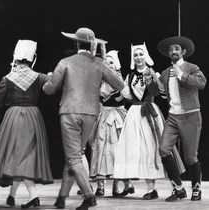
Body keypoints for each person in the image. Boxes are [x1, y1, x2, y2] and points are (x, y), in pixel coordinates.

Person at [43, 27, 124, 210]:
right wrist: (106, 63)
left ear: (77, 43)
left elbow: (49, 89)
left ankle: (89, 196)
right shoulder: (100, 63)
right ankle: (62, 198)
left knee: (73, 157)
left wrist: (48, 80)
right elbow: (119, 84)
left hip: (70, 111)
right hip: (91, 113)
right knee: (75, 156)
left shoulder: (65, 61)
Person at [0, 40, 53, 209]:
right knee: (23, 155)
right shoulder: (40, 76)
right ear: (31, 59)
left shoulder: (8, 78)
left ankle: (33, 196)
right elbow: (52, 86)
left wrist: (7, 96)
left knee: (17, 155)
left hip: (14, 117)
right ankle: (12, 196)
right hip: (33, 115)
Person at [156, 36, 206, 201]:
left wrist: (182, 74)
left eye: (176, 49)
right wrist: (153, 82)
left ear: (183, 51)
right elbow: (161, 93)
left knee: (190, 156)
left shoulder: (191, 67)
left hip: (190, 115)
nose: (173, 52)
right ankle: (178, 188)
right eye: (170, 50)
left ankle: (196, 188)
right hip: (173, 117)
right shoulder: (165, 72)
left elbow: (201, 83)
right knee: (163, 149)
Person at [113, 42, 166, 200]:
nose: (138, 57)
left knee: (149, 148)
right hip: (134, 113)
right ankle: (127, 185)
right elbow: (127, 95)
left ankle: (152, 188)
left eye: (141, 54)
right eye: (135, 55)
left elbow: (159, 91)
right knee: (132, 149)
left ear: (146, 56)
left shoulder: (153, 73)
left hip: (149, 112)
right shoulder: (130, 76)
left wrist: (152, 80)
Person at [89, 50, 133, 197]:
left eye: (111, 61)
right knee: (101, 149)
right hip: (105, 116)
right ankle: (101, 186)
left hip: (119, 117)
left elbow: (128, 95)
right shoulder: (100, 79)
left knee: (118, 152)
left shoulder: (121, 80)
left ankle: (117, 186)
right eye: (106, 61)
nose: (108, 64)